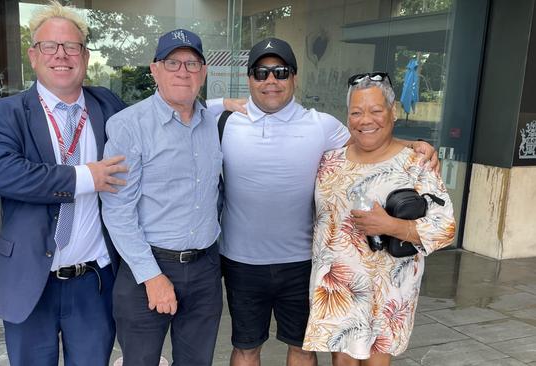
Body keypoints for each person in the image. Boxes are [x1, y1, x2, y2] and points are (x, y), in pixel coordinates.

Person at [217, 38, 438, 366]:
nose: (271, 80)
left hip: (302, 261)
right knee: (246, 349)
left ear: (294, 77)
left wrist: (417, 145)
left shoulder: (320, 124)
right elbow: (179, 109)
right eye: (261, 73)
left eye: (280, 71)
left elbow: (370, 139)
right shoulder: (223, 122)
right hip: (241, 262)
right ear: (249, 78)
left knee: (303, 349)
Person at [0, 2, 127, 365]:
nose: (61, 55)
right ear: (33, 55)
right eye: (50, 46)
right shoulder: (2, 115)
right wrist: (86, 177)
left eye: (71, 46)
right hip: (30, 281)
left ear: (85, 56)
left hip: (94, 283)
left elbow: (156, 122)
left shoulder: (108, 105)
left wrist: (212, 107)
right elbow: (3, 175)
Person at [302, 72, 456, 366]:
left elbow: (445, 228)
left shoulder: (416, 163)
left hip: (387, 291)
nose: (365, 120)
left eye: (376, 110)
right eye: (356, 112)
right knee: (342, 361)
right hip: (339, 287)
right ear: (348, 118)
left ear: (393, 112)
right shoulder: (329, 161)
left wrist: (391, 226)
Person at [101, 29, 223, 366]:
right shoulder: (129, 126)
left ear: (204, 71)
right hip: (148, 269)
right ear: (155, 70)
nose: (183, 71)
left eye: (192, 62)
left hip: (205, 270)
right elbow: (117, 211)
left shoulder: (213, 122)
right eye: (172, 63)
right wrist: (152, 277)